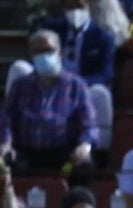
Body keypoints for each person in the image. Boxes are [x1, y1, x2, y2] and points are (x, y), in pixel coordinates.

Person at [4, 0, 116, 151]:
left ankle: (98, 152)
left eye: (79, 6)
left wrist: (76, 83)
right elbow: (39, 48)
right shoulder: (51, 28)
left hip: (83, 85)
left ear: (88, 6)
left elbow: (106, 73)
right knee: (19, 68)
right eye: (70, 6)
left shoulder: (103, 37)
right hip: (47, 78)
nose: (74, 11)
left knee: (101, 93)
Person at [0, 30, 97, 185]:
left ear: (59, 53)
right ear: (31, 55)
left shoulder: (76, 85)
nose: (44, 55)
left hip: (63, 155)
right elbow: (7, 120)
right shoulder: (20, 86)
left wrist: (84, 145)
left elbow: (89, 124)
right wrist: (5, 143)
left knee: (84, 165)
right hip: (26, 153)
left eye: (49, 50)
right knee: (3, 163)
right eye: (38, 51)